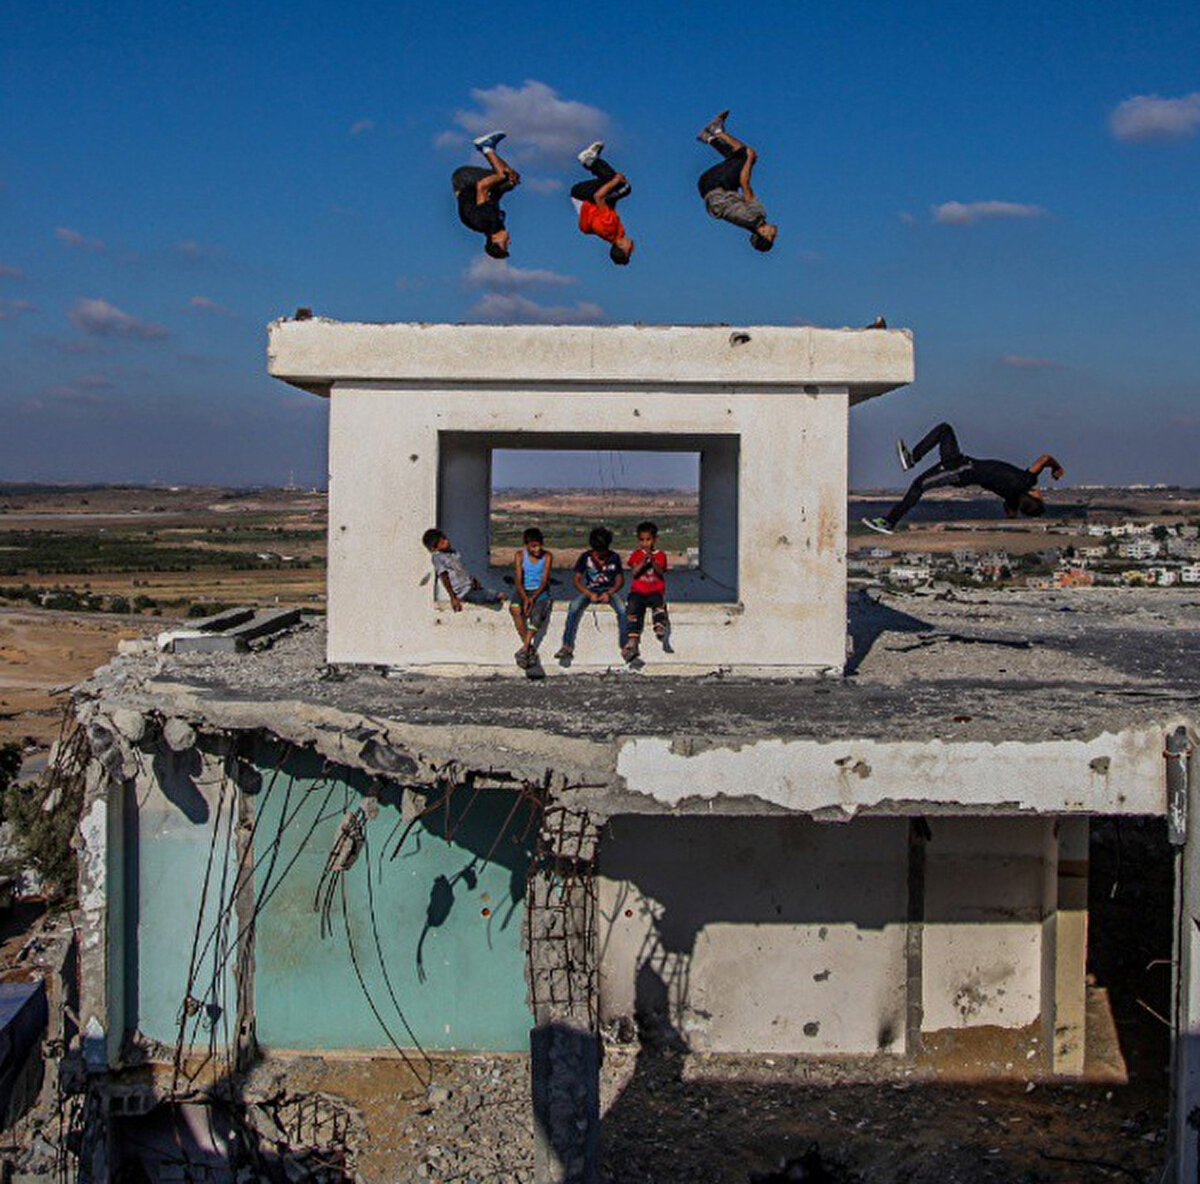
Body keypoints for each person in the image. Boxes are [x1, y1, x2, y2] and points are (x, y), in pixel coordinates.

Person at [862, 423, 1065, 534]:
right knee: (945, 430)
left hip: (960, 470)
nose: (1042, 494)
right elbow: (1011, 514)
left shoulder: (1026, 482)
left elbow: (1045, 458)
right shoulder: (1015, 495)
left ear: (1034, 497)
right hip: (961, 462)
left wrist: (1056, 469)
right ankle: (912, 458)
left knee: (919, 486)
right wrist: (1020, 511)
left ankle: (889, 522)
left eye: (1041, 498)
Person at [696, 111, 777, 252]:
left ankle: (717, 131)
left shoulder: (755, 216)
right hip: (712, 188)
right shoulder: (751, 222)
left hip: (714, 184)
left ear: (763, 233)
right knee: (737, 159)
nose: (775, 235)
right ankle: (708, 137)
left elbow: (744, 183)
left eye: (772, 237)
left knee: (745, 155)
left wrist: (749, 158)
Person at [554, 526, 628, 661]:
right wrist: (588, 593)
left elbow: (620, 580)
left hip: (608, 590)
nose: (601, 555)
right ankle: (567, 645)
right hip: (591, 589)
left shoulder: (614, 557)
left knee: (622, 610)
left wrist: (610, 593)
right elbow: (576, 580)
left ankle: (625, 646)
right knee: (574, 607)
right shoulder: (585, 557)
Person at [452, 131, 520, 259]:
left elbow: (481, 186)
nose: (509, 242)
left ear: (494, 238)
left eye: (505, 244)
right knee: (512, 180)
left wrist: (500, 176)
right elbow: (492, 198)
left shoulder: (487, 220)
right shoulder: (493, 224)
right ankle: (489, 150)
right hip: (468, 188)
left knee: (503, 177)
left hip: (464, 180)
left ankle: (486, 147)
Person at [571, 142, 635, 265]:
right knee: (615, 185)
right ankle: (592, 161)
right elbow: (608, 205)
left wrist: (616, 181)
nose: (632, 248)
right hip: (586, 200)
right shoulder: (614, 234)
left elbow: (598, 197)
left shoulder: (609, 228)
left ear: (620, 245)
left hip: (581, 195)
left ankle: (589, 159)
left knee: (623, 186)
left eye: (629, 251)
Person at [422, 529, 505, 610]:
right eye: (442, 542)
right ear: (434, 548)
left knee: (483, 593)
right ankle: (494, 597)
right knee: (482, 597)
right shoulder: (438, 557)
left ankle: (494, 596)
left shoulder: (452, 553)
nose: (447, 541)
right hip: (462, 591)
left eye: (445, 538)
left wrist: (472, 580)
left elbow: (460, 570)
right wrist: (453, 597)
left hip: (469, 586)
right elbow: (444, 576)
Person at [622, 521, 669, 663]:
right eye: (642, 540)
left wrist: (653, 561)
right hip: (639, 592)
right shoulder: (637, 555)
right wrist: (643, 561)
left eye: (648, 540)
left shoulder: (660, 555)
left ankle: (660, 626)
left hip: (654, 590)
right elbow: (635, 572)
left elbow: (661, 571)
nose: (645, 543)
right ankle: (633, 639)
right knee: (632, 608)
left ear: (654, 540)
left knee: (659, 604)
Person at [510, 527, 554, 668]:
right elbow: (518, 578)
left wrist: (533, 598)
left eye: (539, 545)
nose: (537, 549)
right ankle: (528, 647)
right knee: (515, 609)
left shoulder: (547, 557)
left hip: (539, 591)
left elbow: (544, 580)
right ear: (526, 546)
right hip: (523, 590)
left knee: (536, 617)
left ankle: (525, 648)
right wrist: (525, 597)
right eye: (533, 546)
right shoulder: (520, 555)